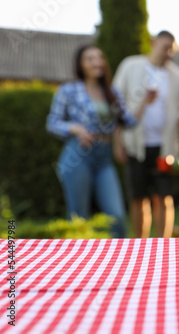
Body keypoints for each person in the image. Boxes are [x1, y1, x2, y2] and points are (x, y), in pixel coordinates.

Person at [46, 44, 148, 238]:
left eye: (99, 58)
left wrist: (145, 102)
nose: (96, 62)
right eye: (90, 58)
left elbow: (127, 121)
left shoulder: (112, 92)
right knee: (79, 217)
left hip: (104, 157)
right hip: (78, 155)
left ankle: (121, 264)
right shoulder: (68, 90)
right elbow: (52, 123)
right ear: (80, 64)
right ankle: (76, 264)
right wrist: (75, 128)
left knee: (116, 215)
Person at [113, 31, 179, 238]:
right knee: (138, 197)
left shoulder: (178, 75)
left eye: (172, 50)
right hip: (135, 145)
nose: (168, 54)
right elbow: (117, 107)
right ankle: (140, 245)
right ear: (153, 43)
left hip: (165, 148)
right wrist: (117, 141)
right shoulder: (130, 66)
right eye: (165, 48)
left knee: (164, 196)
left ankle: (163, 246)